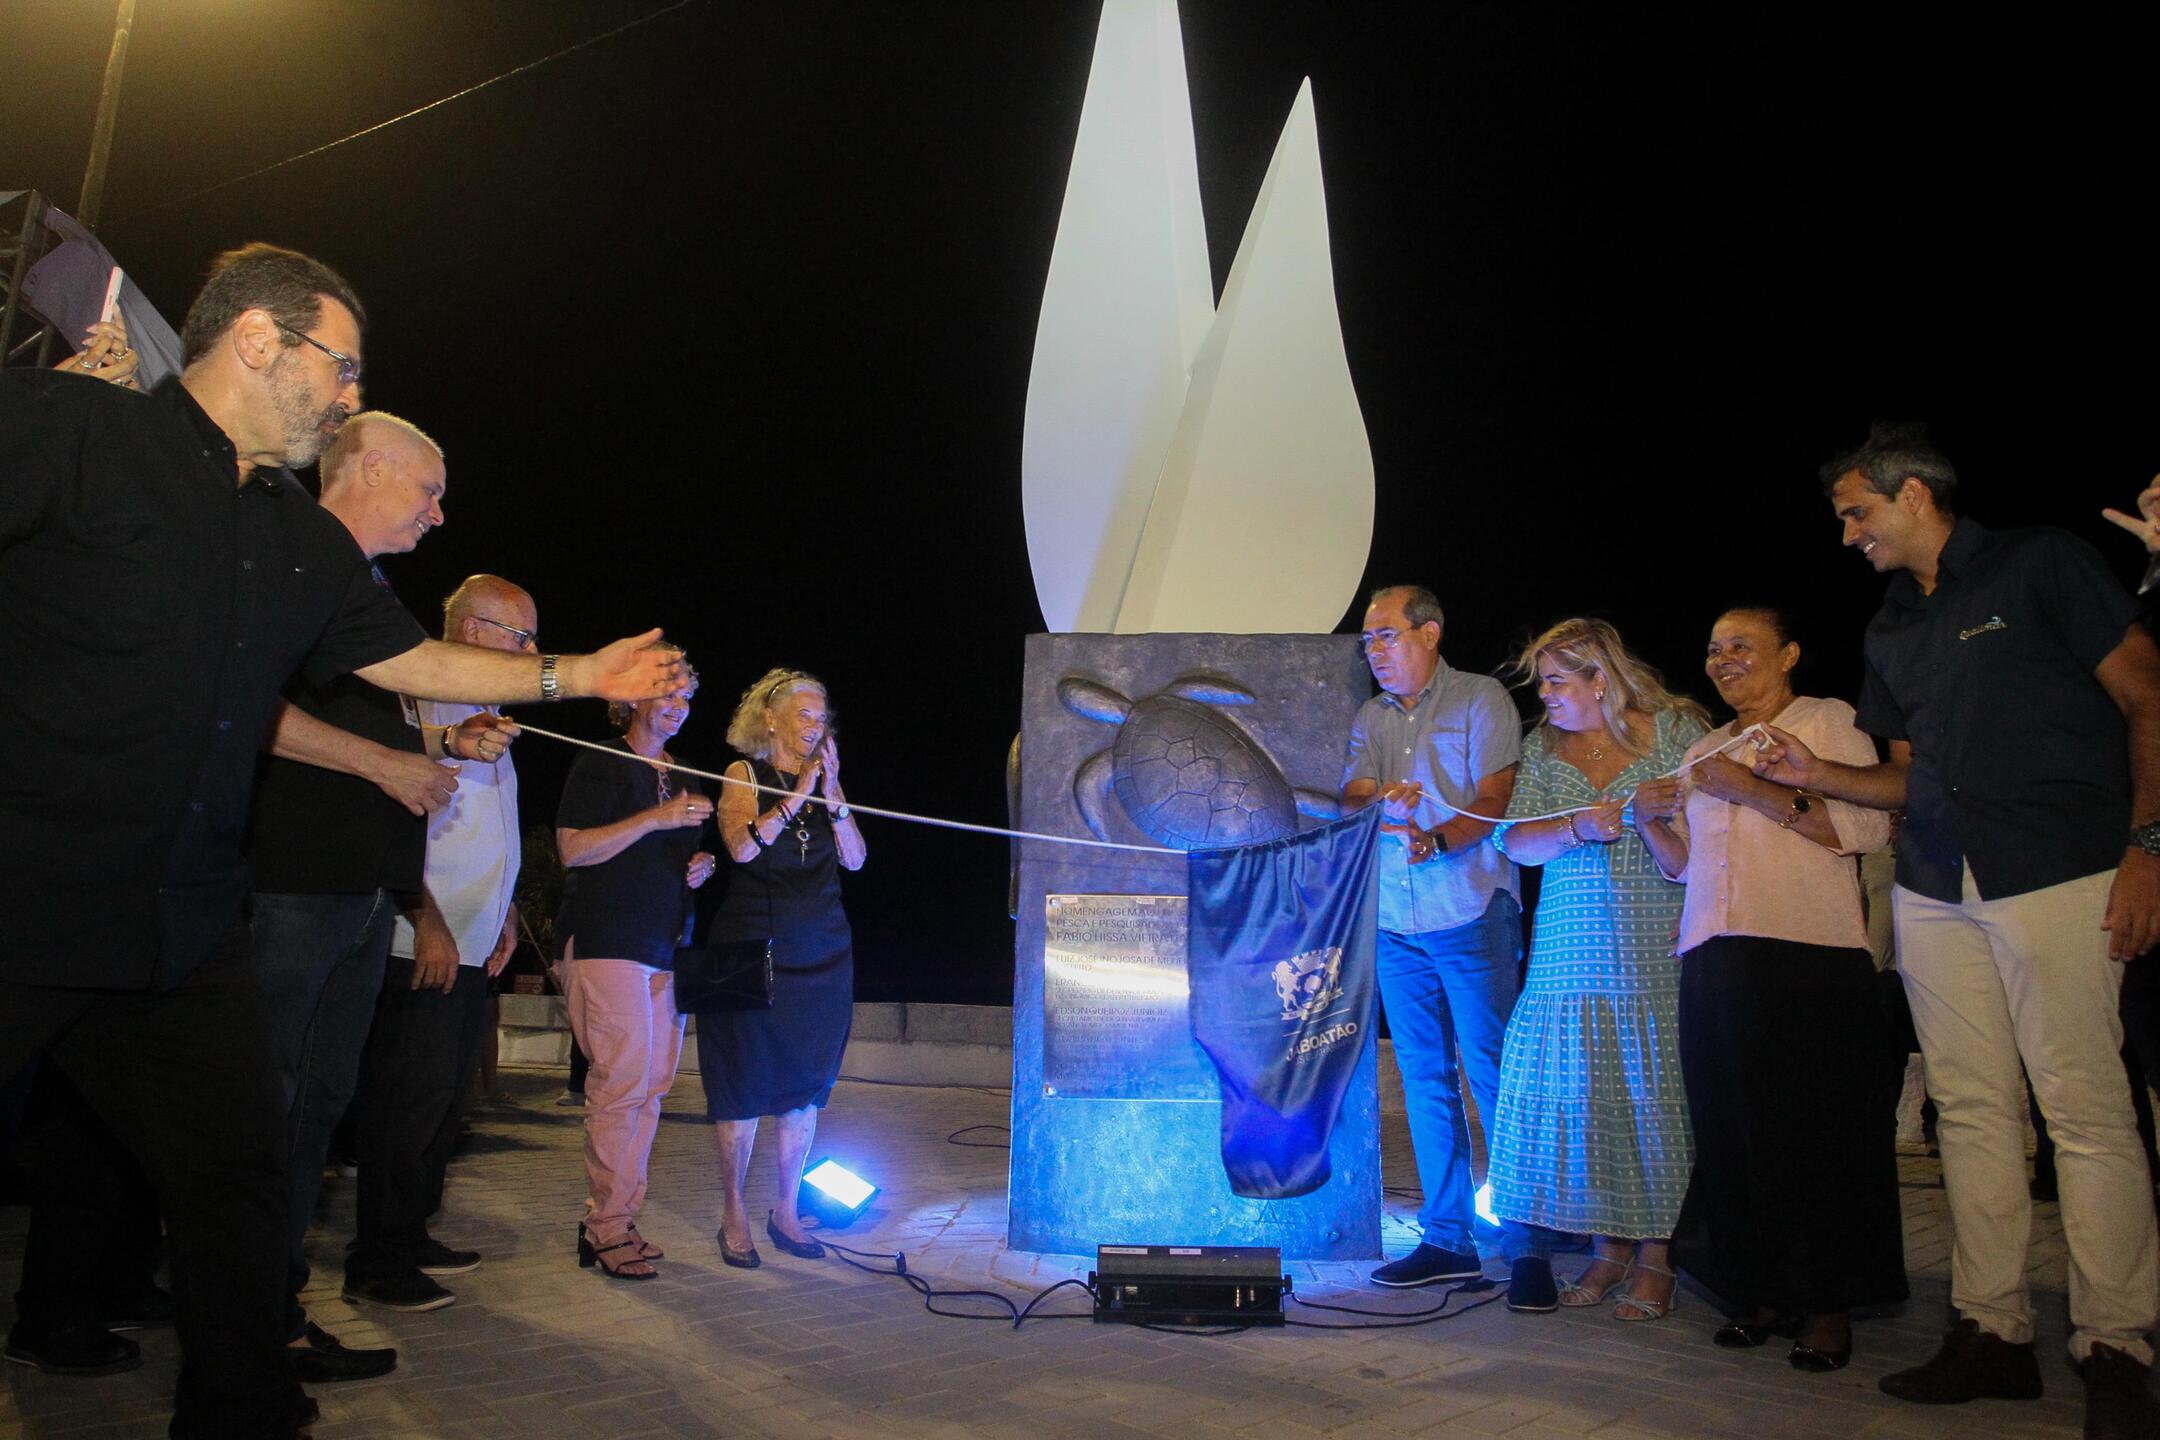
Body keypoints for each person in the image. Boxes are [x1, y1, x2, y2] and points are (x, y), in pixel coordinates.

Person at [0, 241, 687, 1440]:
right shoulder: (75, 430)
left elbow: (406, 657)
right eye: (343, 367)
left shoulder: (291, 530)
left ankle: (243, 1408)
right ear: (259, 342)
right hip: (26, 888)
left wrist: (578, 673)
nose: (352, 394)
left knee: (242, 1171)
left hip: (182, 922)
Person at [1755, 424, 2160, 1435]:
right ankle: (1992, 1333)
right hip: (1935, 883)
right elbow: (1900, 776)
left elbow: (2148, 694)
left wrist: (2149, 845)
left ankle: (2116, 1342)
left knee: (2085, 1112)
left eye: (1858, 512)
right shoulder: (1892, 623)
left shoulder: (2041, 563)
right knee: (1972, 1111)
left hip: (2058, 868)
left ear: (1916, 497)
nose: (1848, 534)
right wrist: (1814, 777)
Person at [247, 411, 505, 1359]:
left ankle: (267, 1312)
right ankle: (246, 1326)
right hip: (295, 887)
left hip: (357, 890)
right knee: (271, 1110)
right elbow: (253, 711)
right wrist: (578, 674)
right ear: (375, 468)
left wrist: (433, 746)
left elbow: (373, 724)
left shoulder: (361, 586)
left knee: (316, 1110)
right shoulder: (294, 557)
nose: (439, 514)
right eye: (430, 490)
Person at [1647, 606, 1903, 1372]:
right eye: (1713, 649)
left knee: (1815, 1133)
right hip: (1714, 958)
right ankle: (1756, 1290)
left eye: (1741, 647)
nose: (1723, 660)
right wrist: (1653, 822)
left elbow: (1864, 832)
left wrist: (1749, 789)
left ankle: (1827, 1304)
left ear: (1788, 653)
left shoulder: (1826, 724)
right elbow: (1688, 868)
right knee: (1732, 1134)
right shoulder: (1704, 748)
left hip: (1808, 954)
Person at [1487, 618, 1707, 1323]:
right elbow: (1516, 842)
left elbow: (1711, 829)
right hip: (1569, 949)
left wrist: (1649, 822)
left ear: (1599, 680)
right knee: (1593, 1099)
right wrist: (1583, 823)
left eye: (1556, 680)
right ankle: (1608, 1249)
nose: (1544, 693)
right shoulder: (1543, 746)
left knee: (1655, 1103)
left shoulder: (1672, 731)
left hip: (1652, 940)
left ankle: (1657, 1260)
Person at [1336, 586, 1542, 1302]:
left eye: (1385, 637)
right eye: (1368, 642)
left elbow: (1497, 796)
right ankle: (1449, 1238)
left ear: (1430, 632)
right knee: (1424, 1079)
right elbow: (1353, 792)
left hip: (1471, 909)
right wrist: (1380, 797)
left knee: (1492, 1074)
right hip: (1395, 922)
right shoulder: (1370, 713)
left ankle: (1526, 1241)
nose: (1375, 652)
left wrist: (1438, 836)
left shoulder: (1481, 698)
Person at [346, 576, 539, 1312]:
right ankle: (378, 1259)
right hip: (421, 937)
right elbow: (397, 821)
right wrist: (423, 915)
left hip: (475, 937)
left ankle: (412, 1230)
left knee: (445, 1101)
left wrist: (509, 912)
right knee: (405, 1103)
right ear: (470, 629)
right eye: (521, 638)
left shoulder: (485, 714)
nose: (531, 653)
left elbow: (487, 830)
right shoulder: (419, 700)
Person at [556, 645, 715, 1280]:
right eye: (667, 695)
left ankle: (618, 1219)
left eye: (685, 699)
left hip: (665, 946)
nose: (677, 709)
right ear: (631, 698)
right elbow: (572, 850)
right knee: (620, 1087)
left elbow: (667, 855)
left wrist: (696, 869)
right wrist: (659, 818)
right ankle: (605, 1227)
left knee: (650, 1091)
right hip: (606, 940)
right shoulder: (601, 761)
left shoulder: (687, 776)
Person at [702, 668, 867, 1267]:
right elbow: (742, 846)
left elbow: (855, 860)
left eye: (821, 718)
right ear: (769, 718)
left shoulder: (828, 788)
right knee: (740, 1084)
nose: (814, 726)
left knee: (805, 1088)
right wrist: (796, 797)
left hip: (821, 953)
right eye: (804, 713)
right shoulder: (741, 773)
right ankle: (732, 1213)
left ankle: (787, 1211)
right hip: (748, 951)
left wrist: (836, 794)